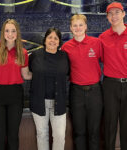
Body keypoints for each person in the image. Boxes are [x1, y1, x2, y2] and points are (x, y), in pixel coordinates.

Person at [0, 19, 32, 150]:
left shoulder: (23, 52)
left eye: (13, 31)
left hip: (15, 96)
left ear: (17, 33)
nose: (10, 34)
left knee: (13, 136)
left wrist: (43, 73)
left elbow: (26, 75)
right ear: (3, 33)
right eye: (7, 31)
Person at [61, 14, 103, 150]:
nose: (78, 28)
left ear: (86, 27)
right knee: (79, 132)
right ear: (70, 28)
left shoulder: (96, 43)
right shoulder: (66, 47)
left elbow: (109, 62)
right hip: (76, 92)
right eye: (75, 25)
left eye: (80, 25)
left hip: (95, 92)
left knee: (94, 132)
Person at [29, 27, 69, 150]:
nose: (52, 40)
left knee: (59, 136)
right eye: (50, 37)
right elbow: (29, 72)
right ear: (45, 40)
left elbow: (68, 74)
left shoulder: (64, 56)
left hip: (59, 102)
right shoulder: (35, 55)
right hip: (39, 102)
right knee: (42, 135)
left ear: (59, 42)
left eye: (56, 38)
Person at [99, 2, 127, 150]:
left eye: (117, 12)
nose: (113, 16)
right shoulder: (103, 38)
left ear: (123, 14)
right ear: (107, 17)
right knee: (109, 124)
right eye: (110, 13)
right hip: (110, 85)